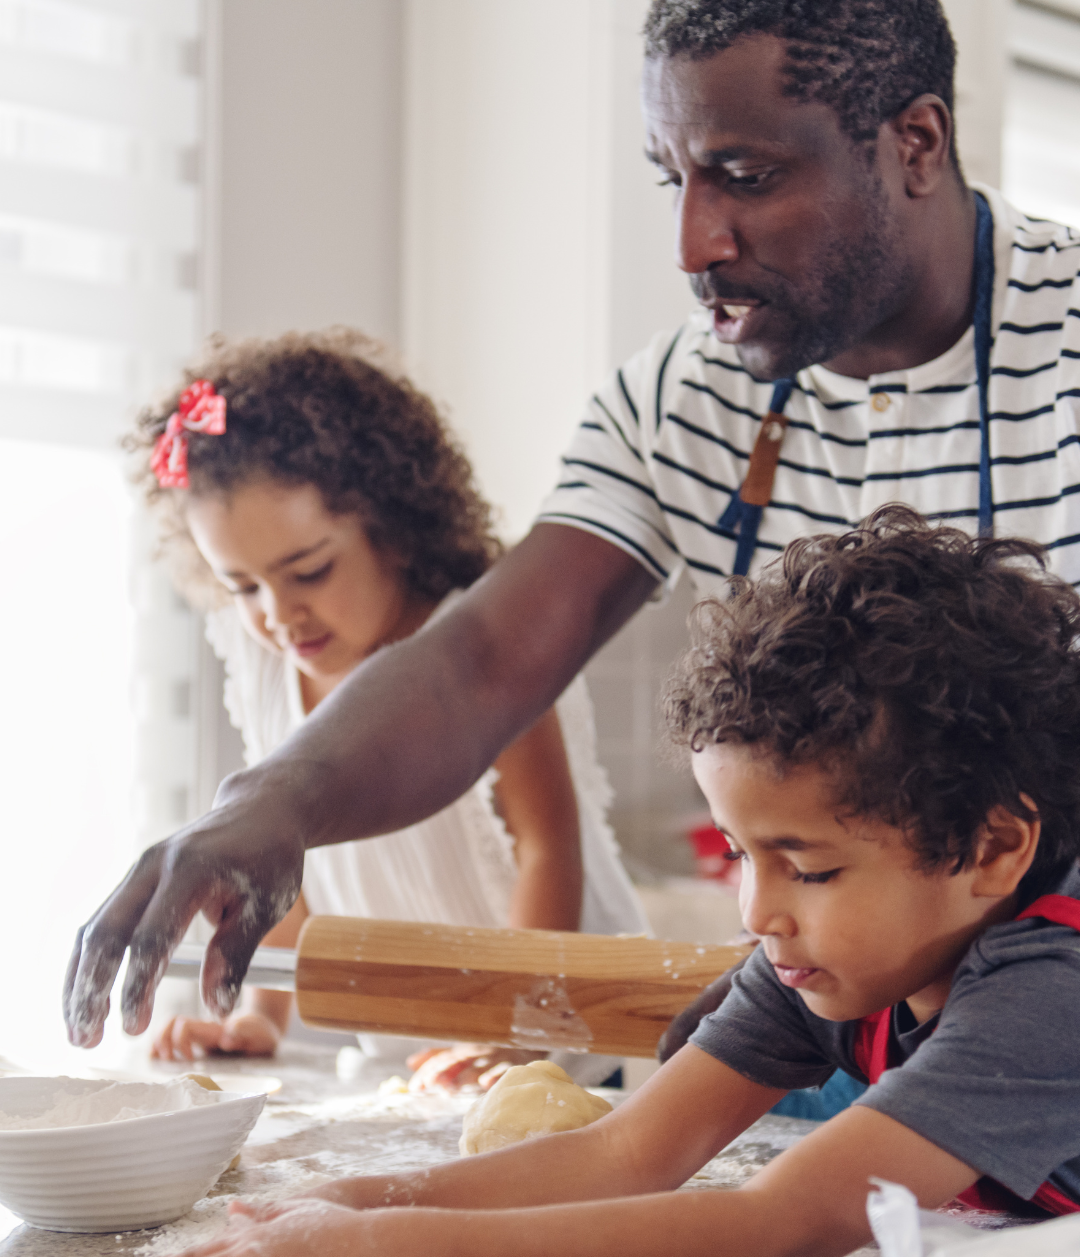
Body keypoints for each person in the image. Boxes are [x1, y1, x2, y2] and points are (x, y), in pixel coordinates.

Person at [64, 0, 1080, 1052]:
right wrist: (271, 802)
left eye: (747, 176)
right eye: (671, 177)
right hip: (840, 1046)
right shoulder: (679, 397)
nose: (695, 242)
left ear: (914, 143)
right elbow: (480, 662)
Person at [111, 507, 1080, 1257]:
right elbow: (627, 1151)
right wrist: (343, 1204)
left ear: (992, 850)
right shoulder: (825, 959)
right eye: (742, 856)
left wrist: (382, 1256)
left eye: (810, 869)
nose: (758, 912)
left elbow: (770, 1232)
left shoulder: (1050, 996)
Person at [129, 329, 646, 1085]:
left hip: (566, 1044)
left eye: (309, 571)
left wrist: (516, 1034)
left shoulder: (483, 655)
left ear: (394, 531)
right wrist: (257, 1017)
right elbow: (287, 867)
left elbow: (547, 850)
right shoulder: (268, 669)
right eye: (243, 586)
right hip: (407, 1051)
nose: (279, 614)